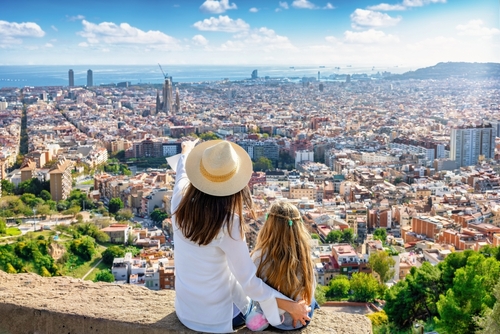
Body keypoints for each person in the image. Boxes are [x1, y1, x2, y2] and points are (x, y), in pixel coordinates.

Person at [171, 139, 310, 333]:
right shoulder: (229, 223)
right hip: (219, 319)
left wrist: (187, 151)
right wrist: (292, 306)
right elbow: (250, 283)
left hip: (186, 312)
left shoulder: (178, 200)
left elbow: (182, 173)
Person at [246, 201, 319, 331]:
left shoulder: (258, 256)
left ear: (269, 224)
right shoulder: (303, 256)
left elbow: (254, 292)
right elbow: (310, 290)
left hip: (271, 319)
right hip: (299, 320)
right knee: (312, 300)